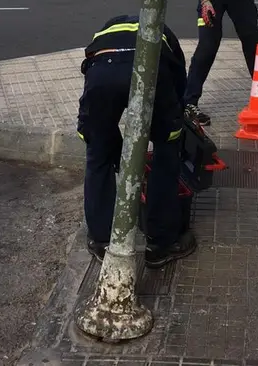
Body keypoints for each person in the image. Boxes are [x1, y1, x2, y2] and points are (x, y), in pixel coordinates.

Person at [77, 15, 197, 269]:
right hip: (151, 71)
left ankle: (101, 240)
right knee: (167, 148)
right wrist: (173, 124)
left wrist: (115, 148)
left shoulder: (106, 30)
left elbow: (91, 70)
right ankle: (162, 243)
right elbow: (178, 84)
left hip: (101, 75)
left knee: (97, 151)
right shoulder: (164, 32)